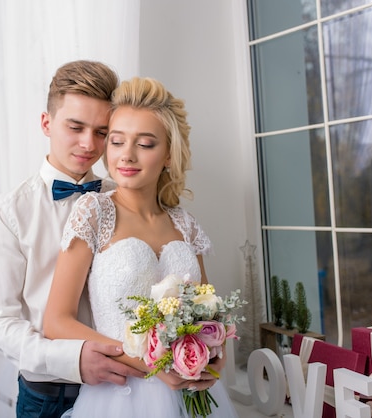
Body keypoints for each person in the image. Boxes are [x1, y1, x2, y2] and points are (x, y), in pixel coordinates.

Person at [43, 77, 238, 417]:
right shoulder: (93, 212)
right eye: (116, 141)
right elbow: (57, 321)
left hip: (192, 393)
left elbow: (209, 313)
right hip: (119, 396)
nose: (127, 155)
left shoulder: (185, 225)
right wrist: (152, 362)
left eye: (146, 144)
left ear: (168, 155)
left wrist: (212, 354)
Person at [0, 60, 147, 418]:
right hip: (49, 398)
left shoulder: (125, 197)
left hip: (129, 392)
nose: (89, 144)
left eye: (102, 132)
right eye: (76, 127)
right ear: (46, 123)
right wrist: (72, 358)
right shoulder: (7, 213)